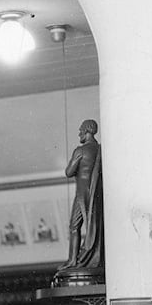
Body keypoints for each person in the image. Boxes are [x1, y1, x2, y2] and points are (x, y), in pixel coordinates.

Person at [57, 118, 103, 281]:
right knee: (94, 225)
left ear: (87, 131)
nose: (79, 134)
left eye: (80, 131)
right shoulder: (99, 150)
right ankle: (90, 255)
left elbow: (69, 172)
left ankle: (73, 260)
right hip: (95, 195)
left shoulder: (80, 150)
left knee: (74, 226)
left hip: (82, 193)